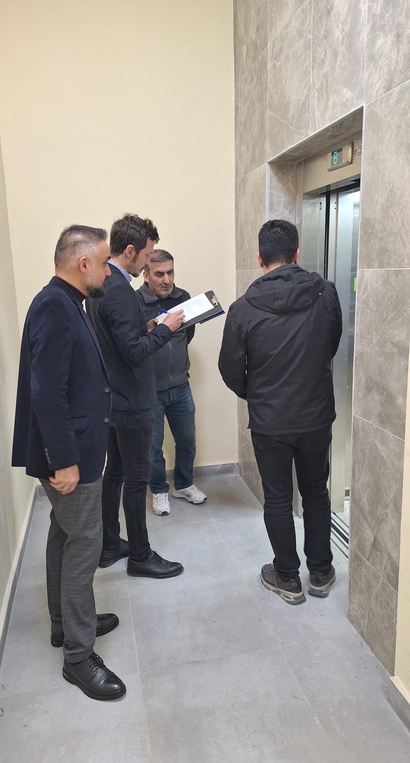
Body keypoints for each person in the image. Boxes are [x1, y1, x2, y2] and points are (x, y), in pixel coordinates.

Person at [12, 225, 126, 701]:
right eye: (103, 263)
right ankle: (78, 657)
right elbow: (47, 391)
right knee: (84, 543)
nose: (108, 271)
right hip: (69, 454)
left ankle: (65, 622)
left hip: (75, 449)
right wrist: (63, 460)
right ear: (83, 264)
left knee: (64, 534)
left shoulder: (65, 302)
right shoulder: (54, 306)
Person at [219, 219, 342, 605]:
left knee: (277, 498)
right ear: (296, 253)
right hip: (316, 416)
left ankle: (287, 577)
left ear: (259, 258)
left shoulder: (242, 309)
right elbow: (331, 344)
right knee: (316, 493)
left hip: (270, 420)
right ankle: (320, 572)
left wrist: (257, 394)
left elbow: (229, 370)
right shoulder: (326, 293)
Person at [86, 214, 184, 577]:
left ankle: (110, 544)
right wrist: (166, 329)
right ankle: (141, 556)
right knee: (136, 478)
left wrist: (146, 326)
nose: (147, 263)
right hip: (133, 399)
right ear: (130, 250)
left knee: (115, 472)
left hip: (114, 396)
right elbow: (134, 351)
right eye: (146, 255)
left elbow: (118, 337)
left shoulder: (101, 283)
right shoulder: (120, 290)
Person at [136, 249, 207, 516]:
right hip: (149, 391)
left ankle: (184, 484)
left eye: (170, 272)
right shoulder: (135, 303)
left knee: (187, 440)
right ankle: (158, 490)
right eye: (159, 274)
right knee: (153, 447)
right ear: (145, 275)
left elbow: (188, 334)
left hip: (180, 386)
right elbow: (133, 344)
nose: (167, 279)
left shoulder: (183, 298)